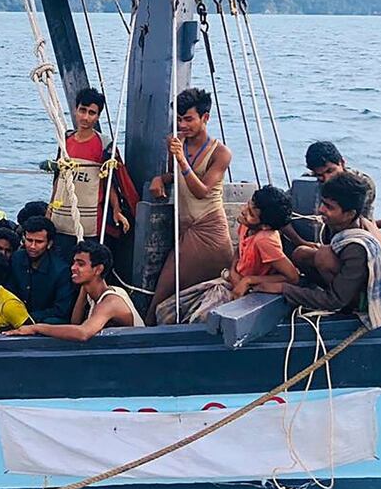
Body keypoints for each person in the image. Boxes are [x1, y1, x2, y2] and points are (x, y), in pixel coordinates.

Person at [256, 173, 381, 327]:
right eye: (323, 203)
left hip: (366, 300)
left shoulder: (356, 247)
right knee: (302, 253)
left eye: (329, 207)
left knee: (323, 256)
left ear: (349, 214)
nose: (321, 209)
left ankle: (345, 305)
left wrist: (283, 289)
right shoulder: (340, 225)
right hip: (352, 285)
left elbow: (335, 300)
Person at [148, 88, 234, 323]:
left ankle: (145, 330)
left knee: (164, 290)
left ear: (205, 118)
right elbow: (176, 175)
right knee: (178, 292)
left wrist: (181, 159)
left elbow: (201, 191)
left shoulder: (221, 153)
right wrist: (161, 178)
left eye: (188, 119)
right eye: (178, 119)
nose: (182, 125)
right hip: (184, 226)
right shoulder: (177, 143)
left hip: (208, 230)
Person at [155, 186, 301, 324]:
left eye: (251, 214)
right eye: (248, 205)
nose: (244, 211)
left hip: (247, 292)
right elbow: (238, 251)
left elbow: (292, 276)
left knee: (200, 321)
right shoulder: (246, 225)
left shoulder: (265, 240)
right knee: (166, 310)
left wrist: (249, 280)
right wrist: (233, 271)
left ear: (265, 226)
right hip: (230, 281)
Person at [48, 88, 130, 261]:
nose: (86, 117)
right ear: (75, 110)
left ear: (98, 116)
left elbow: (110, 183)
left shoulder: (103, 145)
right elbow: (58, 179)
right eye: (82, 110)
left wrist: (116, 210)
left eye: (92, 113)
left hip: (90, 223)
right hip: (60, 220)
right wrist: (50, 209)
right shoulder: (65, 141)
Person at [7, 241, 144, 341]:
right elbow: (75, 323)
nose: (73, 267)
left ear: (98, 269)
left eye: (81, 264)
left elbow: (82, 333)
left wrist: (36, 328)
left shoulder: (110, 302)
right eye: (74, 262)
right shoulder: (91, 290)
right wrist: (83, 292)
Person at [5, 217, 75, 325]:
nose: (32, 246)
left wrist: (29, 318)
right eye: (29, 240)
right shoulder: (16, 259)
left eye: (39, 242)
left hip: (42, 324)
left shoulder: (61, 270)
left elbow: (61, 309)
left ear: (49, 243)